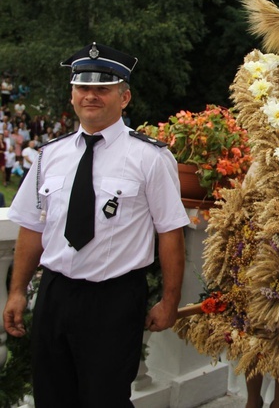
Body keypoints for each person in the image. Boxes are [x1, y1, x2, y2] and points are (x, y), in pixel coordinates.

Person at [2, 42, 190, 407]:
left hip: (114, 300)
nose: (91, 96)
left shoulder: (149, 158)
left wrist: (169, 300)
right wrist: (17, 290)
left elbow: (170, 232)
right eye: (83, 88)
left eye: (103, 89)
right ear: (72, 96)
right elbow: (31, 227)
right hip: (54, 294)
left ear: (124, 97)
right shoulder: (49, 156)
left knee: (105, 399)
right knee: (51, 395)